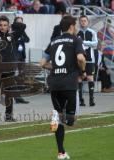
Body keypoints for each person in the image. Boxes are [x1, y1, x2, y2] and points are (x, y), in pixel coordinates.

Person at [40, 16, 86, 159]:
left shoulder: (53, 41)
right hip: (69, 84)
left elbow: (42, 63)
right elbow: (80, 58)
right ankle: (59, 117)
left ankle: (61, 152)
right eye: (76, 25)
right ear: (72, 26)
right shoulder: (76, 40)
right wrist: (83, 71)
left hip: (54, 83)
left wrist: (56, 68)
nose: (76, 27)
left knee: (59, 116)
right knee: (71, 120)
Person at [0, 15, 26, 122]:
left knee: (9, 93)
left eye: (5, 25)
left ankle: (8, 115)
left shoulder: (12, 36)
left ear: (8, 26)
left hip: (8, 70)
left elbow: (22, 26)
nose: (3, 27)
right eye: (1, 25)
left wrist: (12, 24)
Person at [77, 15, 98, 107]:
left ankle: (91, 99)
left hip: (90, 58)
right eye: (81, 21)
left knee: (90, 77)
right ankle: (81, 100)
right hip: (79, 59)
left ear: (88, 22)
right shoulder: (77, 32)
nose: (83, 22)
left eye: (85, 21)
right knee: (79, 78)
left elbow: (95, 44)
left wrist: (83, 42)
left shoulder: (92, 32)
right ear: (79, 22)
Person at [13, 17, 30, 104]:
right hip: (14, 56)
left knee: (21, 74)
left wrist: (21, 39)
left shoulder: (22, 31)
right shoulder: (12, 31)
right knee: (12, 75)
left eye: (21, 22)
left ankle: (18, 94)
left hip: (21, 56)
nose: (20, 24)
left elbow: (27, 39)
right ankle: (16, 95)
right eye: (18, 22)